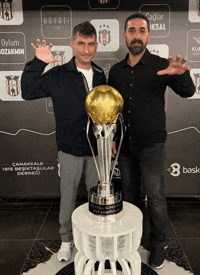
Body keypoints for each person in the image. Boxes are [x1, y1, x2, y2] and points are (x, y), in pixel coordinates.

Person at [108, 13, 195, 269]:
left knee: (155, 197)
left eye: (142, 30)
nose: (137, 35)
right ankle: (134, 241)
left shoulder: (161, 65)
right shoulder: (115, 71)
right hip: (124, 145)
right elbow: (113, 109)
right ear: (125, 36)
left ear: (148, 35)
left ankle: (158, 245)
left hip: (152, 146)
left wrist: (180, 75)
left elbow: (188, 92)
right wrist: (113, 137)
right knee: (131, 197)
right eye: (132, 30)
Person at [21, 21, 106, 262]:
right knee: (67, 197)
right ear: (72, 44)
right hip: (69, 148)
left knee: (96, 197)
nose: (86, 50)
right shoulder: (58, 75)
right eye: (81, 43)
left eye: (91, 44)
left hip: (96, 148)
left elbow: (106, 111)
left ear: (96, 45)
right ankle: (66, 241)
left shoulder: (100, 74)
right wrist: (38, 62)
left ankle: (92, 238)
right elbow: (27, 91)